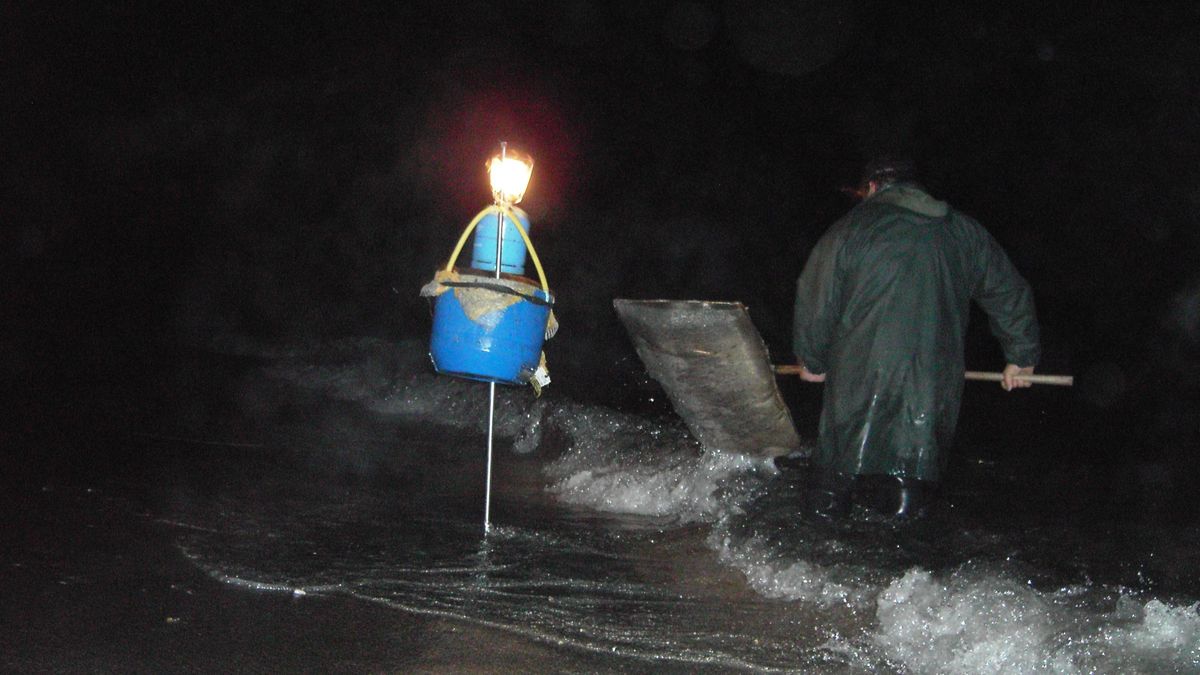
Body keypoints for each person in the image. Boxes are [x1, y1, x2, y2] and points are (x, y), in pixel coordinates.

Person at [791, 158, 1040, 519]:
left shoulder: (850, 229)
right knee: (909, 482)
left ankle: (806, 563)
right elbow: (1009, 292)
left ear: (874, 187)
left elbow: (817, 298)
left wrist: (812, 360)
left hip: (859, 377)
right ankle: (904, 564)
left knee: (835, 480)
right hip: (931, 382)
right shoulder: (962, 231)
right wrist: (1022, 356)